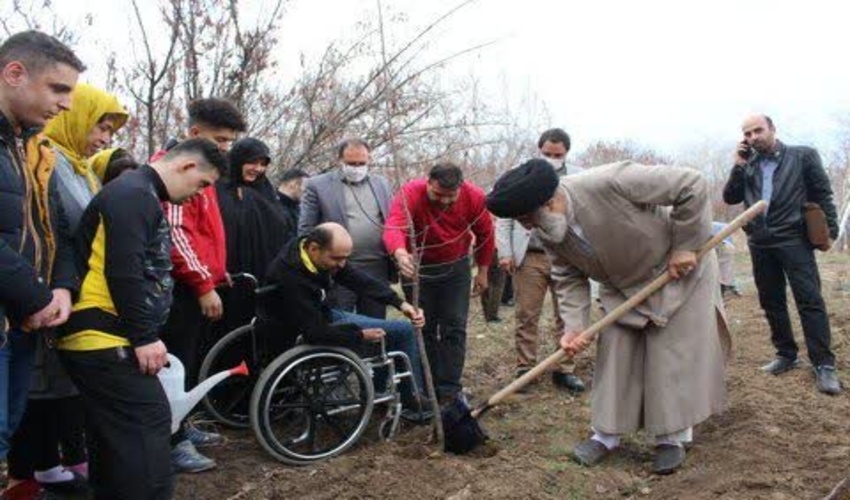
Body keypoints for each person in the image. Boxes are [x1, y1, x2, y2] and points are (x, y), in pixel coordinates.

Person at [486, 159, 728, 475]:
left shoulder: (613, 180)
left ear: (550, 201)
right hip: (622, 287)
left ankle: (672, 438)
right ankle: (606, 435)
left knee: (669, 356)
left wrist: (684, 247)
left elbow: (692, 184)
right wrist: (574, 328)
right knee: (615, 354)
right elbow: (568, 276)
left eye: (527, 218)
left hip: (676, 275)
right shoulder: (549, 229)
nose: (526, 227)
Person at [55, 139, 228, 500]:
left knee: (114, 438)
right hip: (104, 336)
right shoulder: (134, 195)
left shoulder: (140, 194)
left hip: (102, 336)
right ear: (186, 167)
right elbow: (124, 271)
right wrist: (144, 336)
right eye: (202, 185)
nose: (198, 196)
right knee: (147, 429)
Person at [6, 82, 126, 497]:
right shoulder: (48, 160)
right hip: (33, 298)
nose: (105, 139)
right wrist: (45, 291)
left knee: (47, 391)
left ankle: (48, 465)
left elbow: (66, 230)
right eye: (102, 127)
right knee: (32, 395)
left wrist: (65, 286)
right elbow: (53, 231)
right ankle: (30, 471)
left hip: (61, 294)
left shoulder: (79, 167)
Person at [0, 30, 83, 498]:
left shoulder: (30, 149)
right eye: (58, 89)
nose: (67, 104)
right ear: (15, 73)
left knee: (5, 430)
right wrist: (34, 296)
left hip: (23, 319)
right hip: (18, 309)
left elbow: (56, 231)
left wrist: (62, 289)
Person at [258, 223, 431, 419]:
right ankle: (411, 399)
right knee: (403, 331)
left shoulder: (304, 249)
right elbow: (316, 333)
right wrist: (359, 335)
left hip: (317, 315)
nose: (342, 264)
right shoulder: (291, 278)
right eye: (337, 258)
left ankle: (381, 392)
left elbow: (357, 279)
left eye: (345, 258)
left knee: (391, 329)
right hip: (306, 328)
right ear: (314, 248)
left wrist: (399, 303)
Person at [157, 97, 247, 472]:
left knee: (189, 358)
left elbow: (205, 231)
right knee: (173, 365)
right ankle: (170, 441)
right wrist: (201, 282)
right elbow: (176, 235)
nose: (227, 148)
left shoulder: (208, 172)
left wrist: (217, 270)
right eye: (220, 139)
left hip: (201, 282)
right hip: (179, 288)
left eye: (230, 141)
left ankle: (183, 424)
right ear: (195, 134)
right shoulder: (179, 169)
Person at [723, 114, 841, 395]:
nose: (753, 137)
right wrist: (738, 166)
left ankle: (824, 365)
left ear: (772, 129)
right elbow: (730, 197)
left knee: (809, 300)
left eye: (758, 131)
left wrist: (831, 231)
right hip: (759, 242)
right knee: (771, 300)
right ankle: (786, 354)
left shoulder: (803, 156)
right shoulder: (747, 164)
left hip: (794, 239)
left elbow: (823, 193)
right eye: (747, 134)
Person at [384, 163, 494, 403]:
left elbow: (486, 233)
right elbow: (394, 225)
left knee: (454, 326)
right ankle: (427, 385)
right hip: (418, 269)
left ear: (460, 187)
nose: (444, 201)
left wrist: (483, 271)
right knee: (424, 326)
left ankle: (450, 388)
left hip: (456, 267)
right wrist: (400, 254)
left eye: (450, 196)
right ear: (428, 182)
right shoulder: (411, 192)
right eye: (438, 195)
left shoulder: (474, 196)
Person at [496, 128, 586, 393]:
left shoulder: (578, 177)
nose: (551, 158)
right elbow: (504, 216)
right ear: (539, 150)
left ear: (566, 153)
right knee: (527, 313)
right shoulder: (521, 174)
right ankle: (525, 368)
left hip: (567, 257)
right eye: (546, 153)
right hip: (530, 256)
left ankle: (565, 369)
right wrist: (505, 252)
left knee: (567, 315)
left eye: (557, 155)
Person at [299, 138, 395, 319]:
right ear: (339, 161)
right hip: (339, 269)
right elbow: (306, 229)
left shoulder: (381, 183)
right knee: (342, 321)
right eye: (351, 163)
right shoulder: (318, 185)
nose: (357, 168)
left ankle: (373, 350)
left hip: (376, 267)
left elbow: (391, 221)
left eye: (362, 163)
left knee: (376, 323)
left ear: (369, 160)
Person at [216, 138, 290, 333]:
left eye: (262, 164)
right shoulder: (221, 188)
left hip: (262, 272)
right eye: (252, 162)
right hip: (232, 274)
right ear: (238, 160)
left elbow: (280, 226)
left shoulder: (266, 191)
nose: (257, 168)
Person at [277, 167, 309, 244]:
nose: (307, 193)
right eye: (306, 189)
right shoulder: (270, 207)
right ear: (294, 185)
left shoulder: (298, 208)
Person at [712, 221, 741, 298]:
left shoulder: (720, 227)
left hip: (722, 245)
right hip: (717, 244)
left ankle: (724, 292)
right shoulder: (719, 226)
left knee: (724, 271)